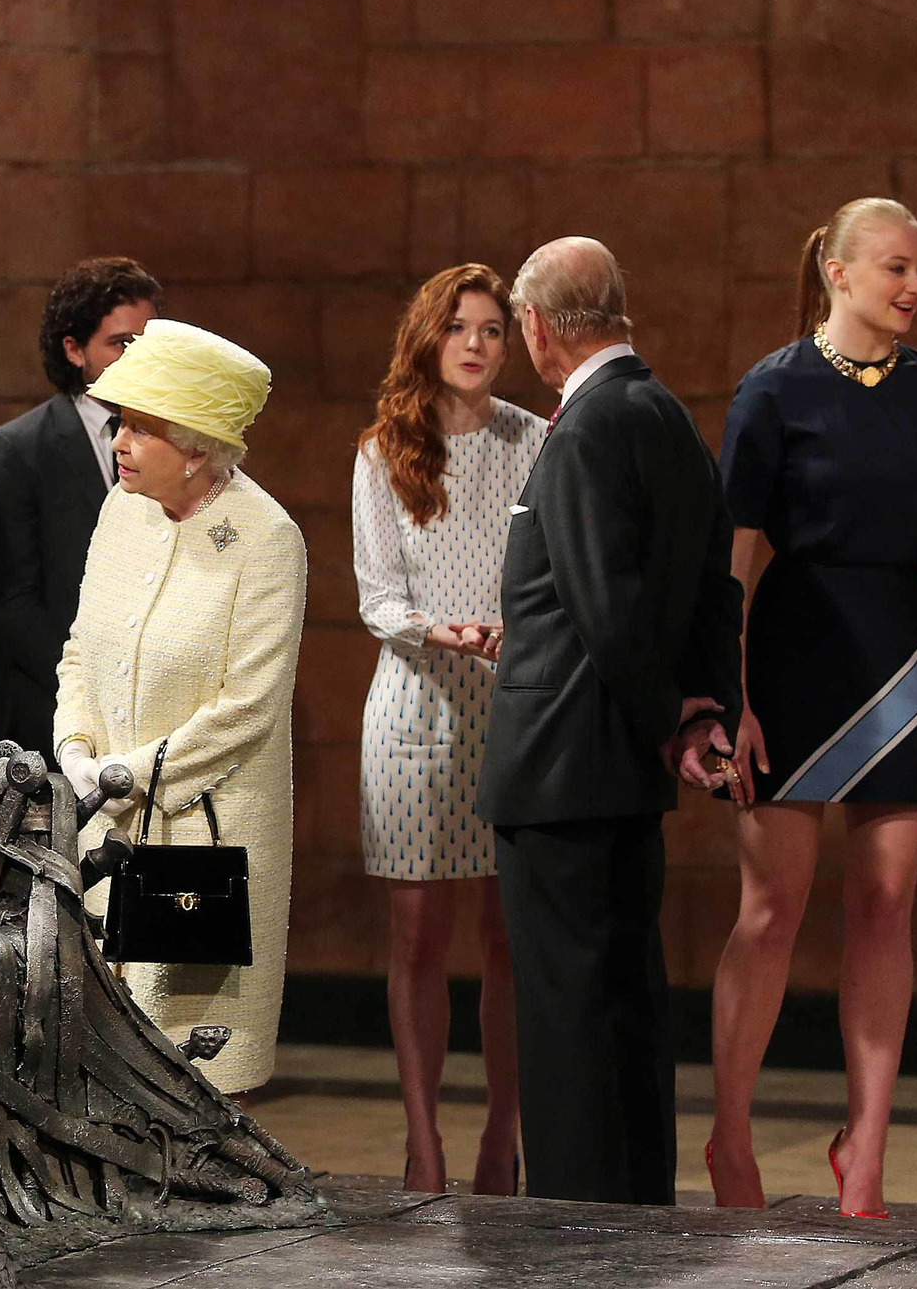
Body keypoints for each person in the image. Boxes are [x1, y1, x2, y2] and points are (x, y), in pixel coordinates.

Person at [705, 199, 917, 1218]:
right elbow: (729, 556)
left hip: (902, 663)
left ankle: (862, 1150)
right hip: (787, 655)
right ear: (835, 269)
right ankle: (728, 1132)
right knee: (770, 908)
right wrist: (725, 690)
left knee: (882, 903)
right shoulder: (770, 389)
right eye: (893, 267)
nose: (911, 286)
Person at [477, 237, 743, 1207]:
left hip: (560, 768)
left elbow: (602, 605)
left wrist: (672, 713)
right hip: (616, 766)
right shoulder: (668, 416)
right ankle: (637, 1220)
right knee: (623, 1008)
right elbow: (713, 588)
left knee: (566, 1022)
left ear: (538, 327)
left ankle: (577, 1236)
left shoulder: (588, 425)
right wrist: (703, 708)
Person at [54, 318, 307, 1094]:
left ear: (197, 444)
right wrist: (73, 749)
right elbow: (78, 652)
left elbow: (248, 706)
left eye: (141, 426)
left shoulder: (267, 538)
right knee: (102, 1072)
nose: (120, 441)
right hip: (103, 825)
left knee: (194, 1083)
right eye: (119, 423)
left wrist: (123, 771)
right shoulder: (120, 511)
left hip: (208, 838)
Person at [352, 263, 544, 1195]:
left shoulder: (537, 440)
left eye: (493, 329)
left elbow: (553, 570)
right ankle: (422, 1140)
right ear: (429, 338)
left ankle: (500, 1139)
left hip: (511, 701)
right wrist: (446, 629)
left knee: (509, 939)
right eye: (459, 326)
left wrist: (516, 627)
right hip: (416, 702)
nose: (475, 343)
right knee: (420, 936)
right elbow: (378, 596)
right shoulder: (386, 447)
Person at [0, 256, 161, 760]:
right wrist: (93, 693)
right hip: (49, 717)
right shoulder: (17, 449)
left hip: (152, 720)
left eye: (147, 343)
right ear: (74, 349)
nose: (137, 356)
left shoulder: (176, 443)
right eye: (121, 342)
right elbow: (11, 611)